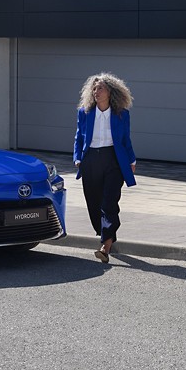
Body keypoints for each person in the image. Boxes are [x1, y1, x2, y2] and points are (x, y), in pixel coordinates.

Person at [72, 73, 136, 263]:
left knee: (109, 203)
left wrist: (131, 161)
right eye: (94, 88)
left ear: (110, 91)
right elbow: (79, 138)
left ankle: (105, 247)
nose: (96, 91)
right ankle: (108, 235)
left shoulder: (122, 114)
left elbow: (125, 140)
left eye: (100, 88)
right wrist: (77, 158)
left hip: (113, 160)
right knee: (94, 204)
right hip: (91, 159)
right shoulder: (84, 112)